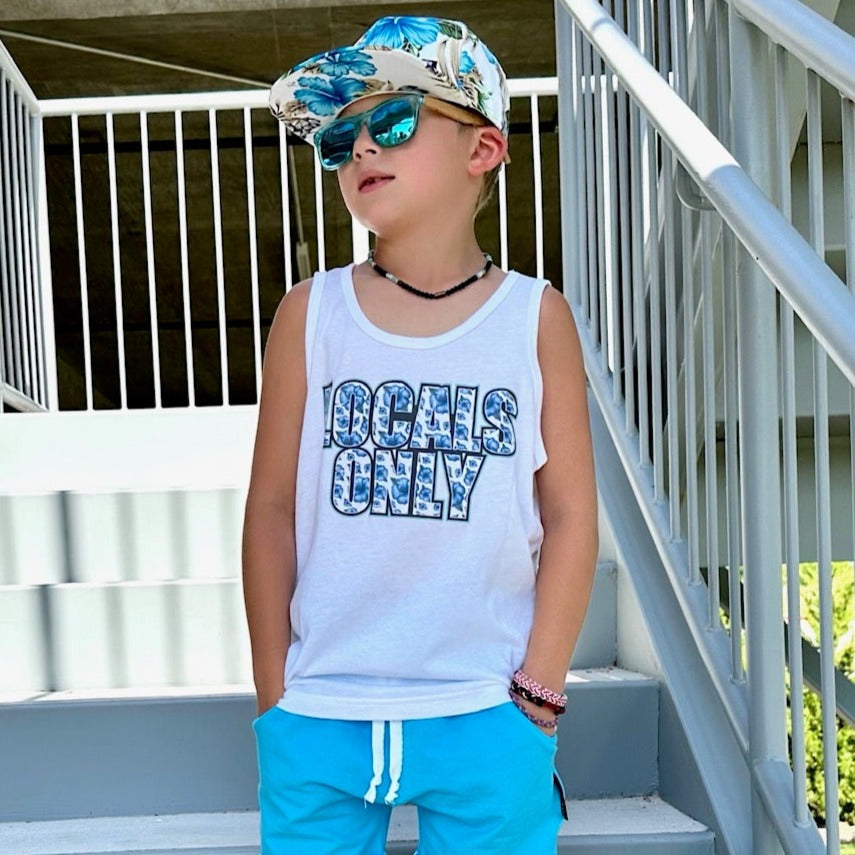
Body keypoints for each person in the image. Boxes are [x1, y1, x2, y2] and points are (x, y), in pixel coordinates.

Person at [242, 15, 598, 854]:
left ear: (483, 149)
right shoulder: (309, 313)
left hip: (484, 708)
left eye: (393, 120)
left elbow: (570, 516)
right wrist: (273, 696)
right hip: (320, 709)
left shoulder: (535, 317)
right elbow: (270, 509)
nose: (361, 147)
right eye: (339, 138)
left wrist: (539, 692)